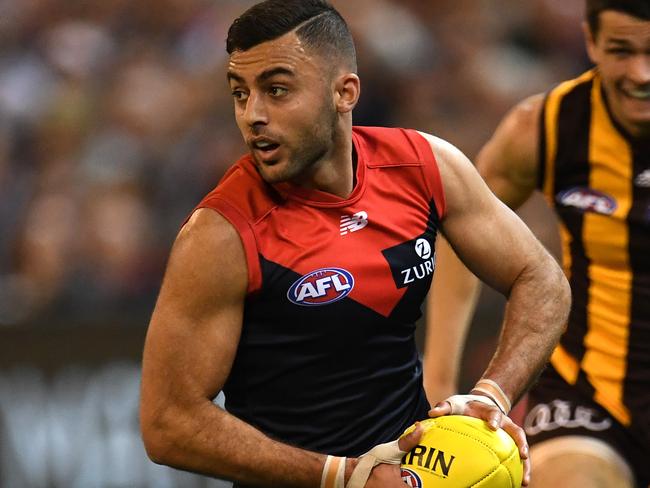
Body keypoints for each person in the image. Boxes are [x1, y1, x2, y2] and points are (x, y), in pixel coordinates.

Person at [139, 1, 570, 487]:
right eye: (240, 94)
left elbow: (543, 279)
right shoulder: (221, 234)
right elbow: (168, 423)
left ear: (345, 93)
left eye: (276, 90)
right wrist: (343, 477)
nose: (252, 115)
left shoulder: (423, 167)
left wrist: (493, 395)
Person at [427, 1, 650, 486]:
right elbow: (463, 234)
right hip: (590, 393)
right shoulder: (546, 127)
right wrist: (437, 380)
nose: (641, 73)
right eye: (620, 50)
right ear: (590, 42)